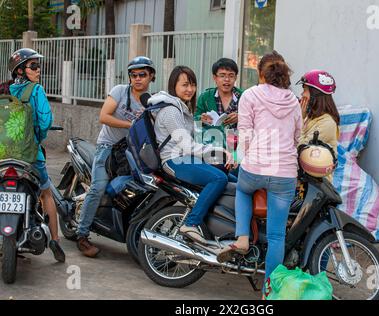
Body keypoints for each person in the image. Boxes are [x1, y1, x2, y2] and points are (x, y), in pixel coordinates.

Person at [217, 51, 302, 292]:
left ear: (261, 73)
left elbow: (245, 133)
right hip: (284, 172)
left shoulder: (251, 95)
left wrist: (238, 157)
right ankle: (269, 290)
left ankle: (242, 237)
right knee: (277, 236)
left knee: (243, 191)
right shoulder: (293, 100)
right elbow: (297, 136)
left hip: (254, 167)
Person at [76, 56, 156, 258]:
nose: (137, 79)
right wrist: (131, 125)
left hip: (132, 152)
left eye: (142, 75)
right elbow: (104, 116)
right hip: (108, 147)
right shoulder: (120, 91)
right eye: (133, 75)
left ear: (151, 76)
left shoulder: (151, 102)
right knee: (98, 187)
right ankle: (82, 235)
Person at [150, 66, 235, 244]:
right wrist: (218, 151)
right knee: (219, 178)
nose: (190, 89)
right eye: (185, 85)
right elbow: (187, 145)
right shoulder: (171, 111)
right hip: (174, 161)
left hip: (185, 157)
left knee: (232, 172)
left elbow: (187, 138)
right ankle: (192, 222)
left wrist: (198, 121)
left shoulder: (182, 108)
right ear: (174, 86)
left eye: (193, 85)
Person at [8, 48, 65, 262]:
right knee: (46, 193)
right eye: (33, 66)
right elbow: (45, 122)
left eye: (38, 65)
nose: (38, 69)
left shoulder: (5, 91)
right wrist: (37, 138)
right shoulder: (36, 90)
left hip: (4, 156)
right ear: (20, 70)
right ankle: (56, 241)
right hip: (30, 156)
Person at [195, 58, 243, 180]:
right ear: (215, 78)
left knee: (237, 177)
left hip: (237, 146)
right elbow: (195, 123)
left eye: (231, 76)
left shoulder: (244, 97)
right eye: (222, 76)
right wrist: (201, 119)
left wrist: (241, 117)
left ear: (235, 78)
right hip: (213, 147)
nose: (227, 80)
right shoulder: (205, 97)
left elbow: (254, 121)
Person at [297, 70, 340, 154]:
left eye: (305, 90)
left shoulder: (327, 123)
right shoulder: (311, 116)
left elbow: (302, 151)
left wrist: (300, 119)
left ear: (315, 94)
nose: (302, 94)